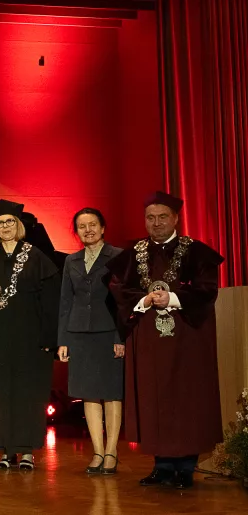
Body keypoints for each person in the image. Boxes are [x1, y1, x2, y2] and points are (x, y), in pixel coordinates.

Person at [107, 191, 224, 489]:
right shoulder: (134, 253)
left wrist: (171, 297)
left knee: (187, 398)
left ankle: (186, 466)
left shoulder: (197, 251)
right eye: (150, 218)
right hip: (148, 338)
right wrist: (145, 299)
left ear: (175, 219)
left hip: (188, 338)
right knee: (152, 397)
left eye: (162, 217)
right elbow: (119, 289)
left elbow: (207, 290)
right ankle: (161, 465)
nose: (156, 223)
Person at [0, 199, 60, 470]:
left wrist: (48, 338)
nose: (5, 227)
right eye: (0, 223)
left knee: (28, 393)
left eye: (10, 222)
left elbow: (51, 301)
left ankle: (27, 450)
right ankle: (6, 451)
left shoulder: (38, 258)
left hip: (30, 339)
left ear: (18, 225)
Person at [57, 208, 124, 474]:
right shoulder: (71, 260)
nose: (88, 230)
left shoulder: (118, 256)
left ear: (103, 227)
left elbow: (124, 301)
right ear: (77, 232)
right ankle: (97, 451)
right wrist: (63, 339)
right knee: (89, 393)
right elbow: (65, 302)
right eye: (82, 226)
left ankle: (112, 452)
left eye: (93, 224)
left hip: (108, 332)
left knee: (111, 393)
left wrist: (121, 337)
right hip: (78, 333)